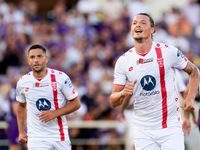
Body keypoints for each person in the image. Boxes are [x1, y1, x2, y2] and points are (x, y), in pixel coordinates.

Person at [109, 13, 200, 150]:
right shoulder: (123, 61)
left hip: (170, 127)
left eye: (143, 23)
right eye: (134, 23)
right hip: (143, 130)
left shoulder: (168, 52)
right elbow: (113, 100)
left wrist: (191, 97)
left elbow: (194, 71)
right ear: (131, 30)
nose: (138, 25)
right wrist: (122, 94)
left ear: (152, 29)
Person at [16, 44, 81, 150]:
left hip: (59, 135)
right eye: (32, 57)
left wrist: (55, 113)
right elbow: (21, 106)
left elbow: (76, 103)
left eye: (39, 56)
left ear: (46, 59)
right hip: (36, 138)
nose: (36, 60)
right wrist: (21, 131)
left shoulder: (61, 78)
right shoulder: (23, 82)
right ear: (28, 61)